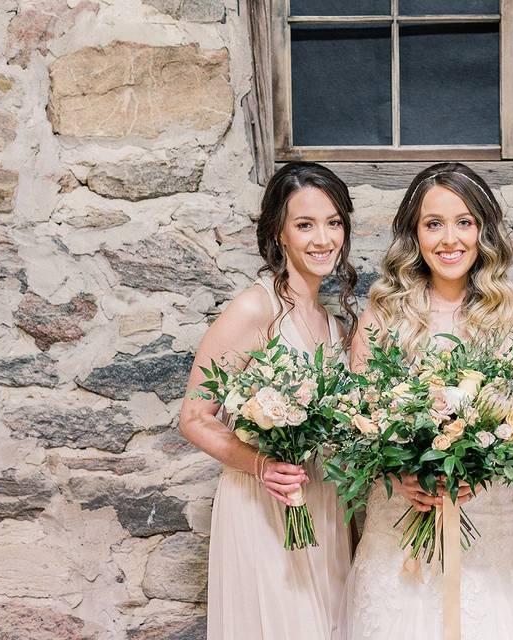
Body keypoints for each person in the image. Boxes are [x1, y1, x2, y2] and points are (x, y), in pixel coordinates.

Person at [337, 162, 513, 639]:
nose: (450, 239)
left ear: (483, 231)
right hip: (401, 525)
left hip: (492, 531)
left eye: (465, 222)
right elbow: (354, 423)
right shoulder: (383, 314)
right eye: (433, 223)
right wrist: (396, 474)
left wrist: (483, 473)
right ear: (413, 234)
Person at [178, 162, 358, 639]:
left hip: (323, 501)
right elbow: (195, 416)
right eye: (305, 225)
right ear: (279, 233)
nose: (323, 239)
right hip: (264, 504)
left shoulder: (337, 326)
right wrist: (261, 465)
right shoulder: (255, 309)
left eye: (333, 222)